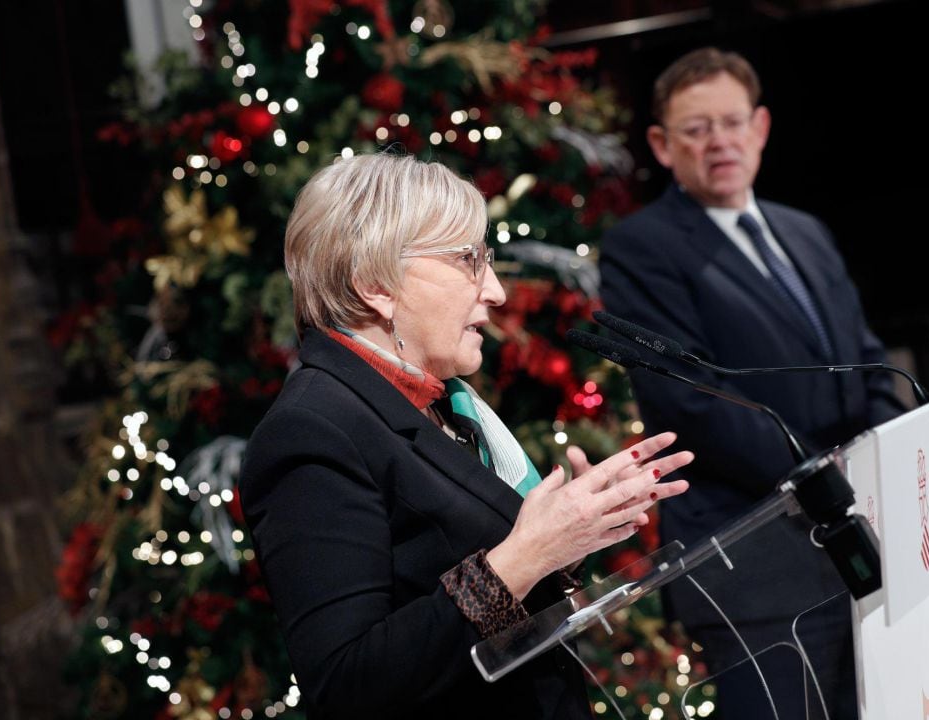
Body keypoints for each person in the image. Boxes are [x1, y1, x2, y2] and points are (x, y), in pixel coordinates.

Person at [239, 152, 693, 719]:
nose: (497, 291)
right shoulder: (311, 430)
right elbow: (346, 683)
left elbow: (478, 582)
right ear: (376, 284)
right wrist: (529, 553)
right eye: (469, 260)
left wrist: (573, 539)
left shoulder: (441, 400)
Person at [599, 48, 905, 719]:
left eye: (732, 122)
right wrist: (834, 481)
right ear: (661, 144)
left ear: (760, 127)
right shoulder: (640, 250)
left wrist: (890, 455)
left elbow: (865, 358)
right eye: (697, 129)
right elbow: (695, 404)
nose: (720, 142)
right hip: (757, 570)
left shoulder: (808, 232)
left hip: (863, 543)